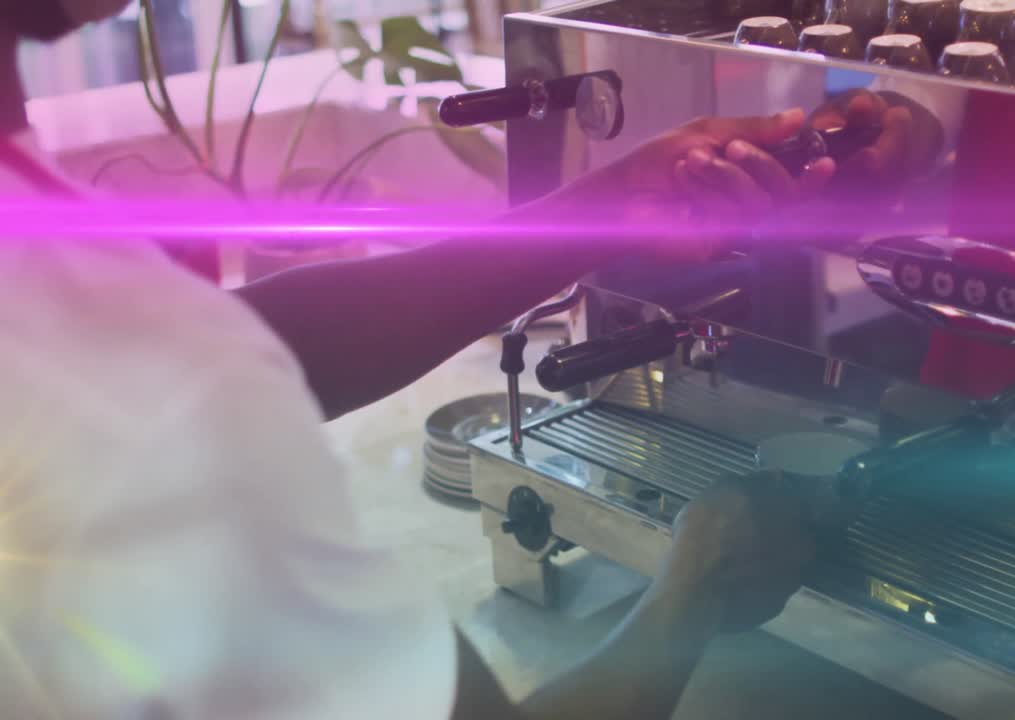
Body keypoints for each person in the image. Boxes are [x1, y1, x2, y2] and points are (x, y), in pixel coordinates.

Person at [0, 2, 942, 718]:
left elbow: (219, 347)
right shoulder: (82, 355)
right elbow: (168, 377)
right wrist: (698, 585)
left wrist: (603, 211)